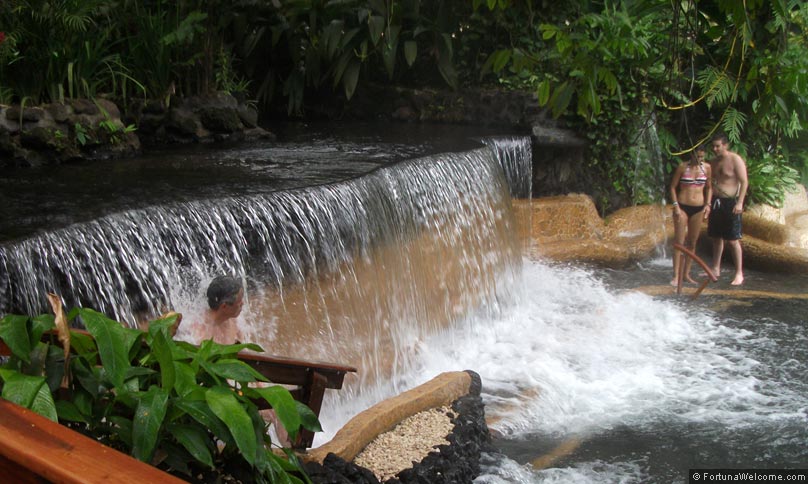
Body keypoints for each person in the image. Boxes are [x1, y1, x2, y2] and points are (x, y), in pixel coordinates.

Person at [707, 133, 748, 285]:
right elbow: (711, 183)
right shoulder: (713, 162)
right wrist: (708, 204)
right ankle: (716, 268)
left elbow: (744, 182)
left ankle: (739, 273)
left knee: (732, 240)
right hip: (716, 201)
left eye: (718, 146)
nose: (715, 149)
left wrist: (740, 203)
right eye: (713, 146)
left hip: (731, 202)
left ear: (725, 145)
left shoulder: (735, 159)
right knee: (716, 237)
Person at [669, 144, 712, 285]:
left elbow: (709, 188)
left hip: (698, 208)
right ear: (691, 154)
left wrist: (708, 205)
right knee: (679, 242)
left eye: (702, 157)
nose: (700, 159)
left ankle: (686, 274)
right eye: (697, 156)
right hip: (682, 207)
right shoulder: (682, 167)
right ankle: (676, 276)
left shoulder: (706, 168)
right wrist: (675, 205)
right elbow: (672, 187)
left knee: (692, 242)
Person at [176, 275, 245, 344]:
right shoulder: (198, 333)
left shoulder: (235, 323)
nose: (243, 303)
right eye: (239, 301)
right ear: (224, 306)